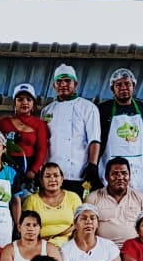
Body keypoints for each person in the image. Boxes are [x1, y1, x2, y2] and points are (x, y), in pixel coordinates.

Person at [42, 64, 101, 196]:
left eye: (67, 81)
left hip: (78, 173)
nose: (63, 84)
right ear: (54, 86)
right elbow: (43, 142)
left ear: (75, 84)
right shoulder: (47, 110)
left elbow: (94, 139)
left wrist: (93, 165)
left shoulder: (88, 107)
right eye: (59, 81)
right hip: (53, 175)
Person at [97, 68, 143, 197]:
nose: (123, 87)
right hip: (110, 164)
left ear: (133, 86)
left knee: (139, 203)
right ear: (112, 89)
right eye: (118, 85)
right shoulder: (102, 109)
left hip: (138, 168)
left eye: (127, 84)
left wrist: (141, 156)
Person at [84, 157, 143, 249]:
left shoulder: (141, 198)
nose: (120, 177)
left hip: (134, 250)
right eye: (115, 174)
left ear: (129, 177)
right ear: (106, 177)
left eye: (124, 173)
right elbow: (86, 228)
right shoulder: (93, 198)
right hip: (103, 249)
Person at [0, 83, 49, 188]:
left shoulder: (39, 124)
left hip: (28, 167)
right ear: (14, 102)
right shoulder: (3, 122)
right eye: (20, 99)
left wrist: (33, 171)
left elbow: (42, 149)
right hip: (5, 167)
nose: (25, 103)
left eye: (29, 99)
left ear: (33, 103)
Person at [21, 163, 80, 247]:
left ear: (62, 179)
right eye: (47, 176)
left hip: (70, 246)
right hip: (40, 246)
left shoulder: (73, 197)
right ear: (41, 181)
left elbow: (80, 225)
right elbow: (26, 229)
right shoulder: (31, 201)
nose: (52, 179)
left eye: (56, 176)